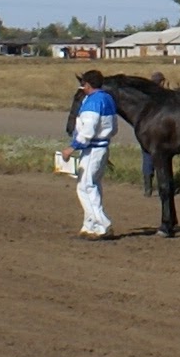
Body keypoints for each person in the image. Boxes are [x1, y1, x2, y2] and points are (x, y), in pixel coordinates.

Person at [64, 72, 121, 239]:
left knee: (85, 186)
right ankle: (89, 225)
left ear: (87, 85)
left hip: (92, 149)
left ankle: (102, 224)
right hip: (102, 147)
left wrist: (72, 147)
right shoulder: (107, 99)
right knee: (93, 185)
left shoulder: (93, 102)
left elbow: (88, 130)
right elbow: (114, 127)